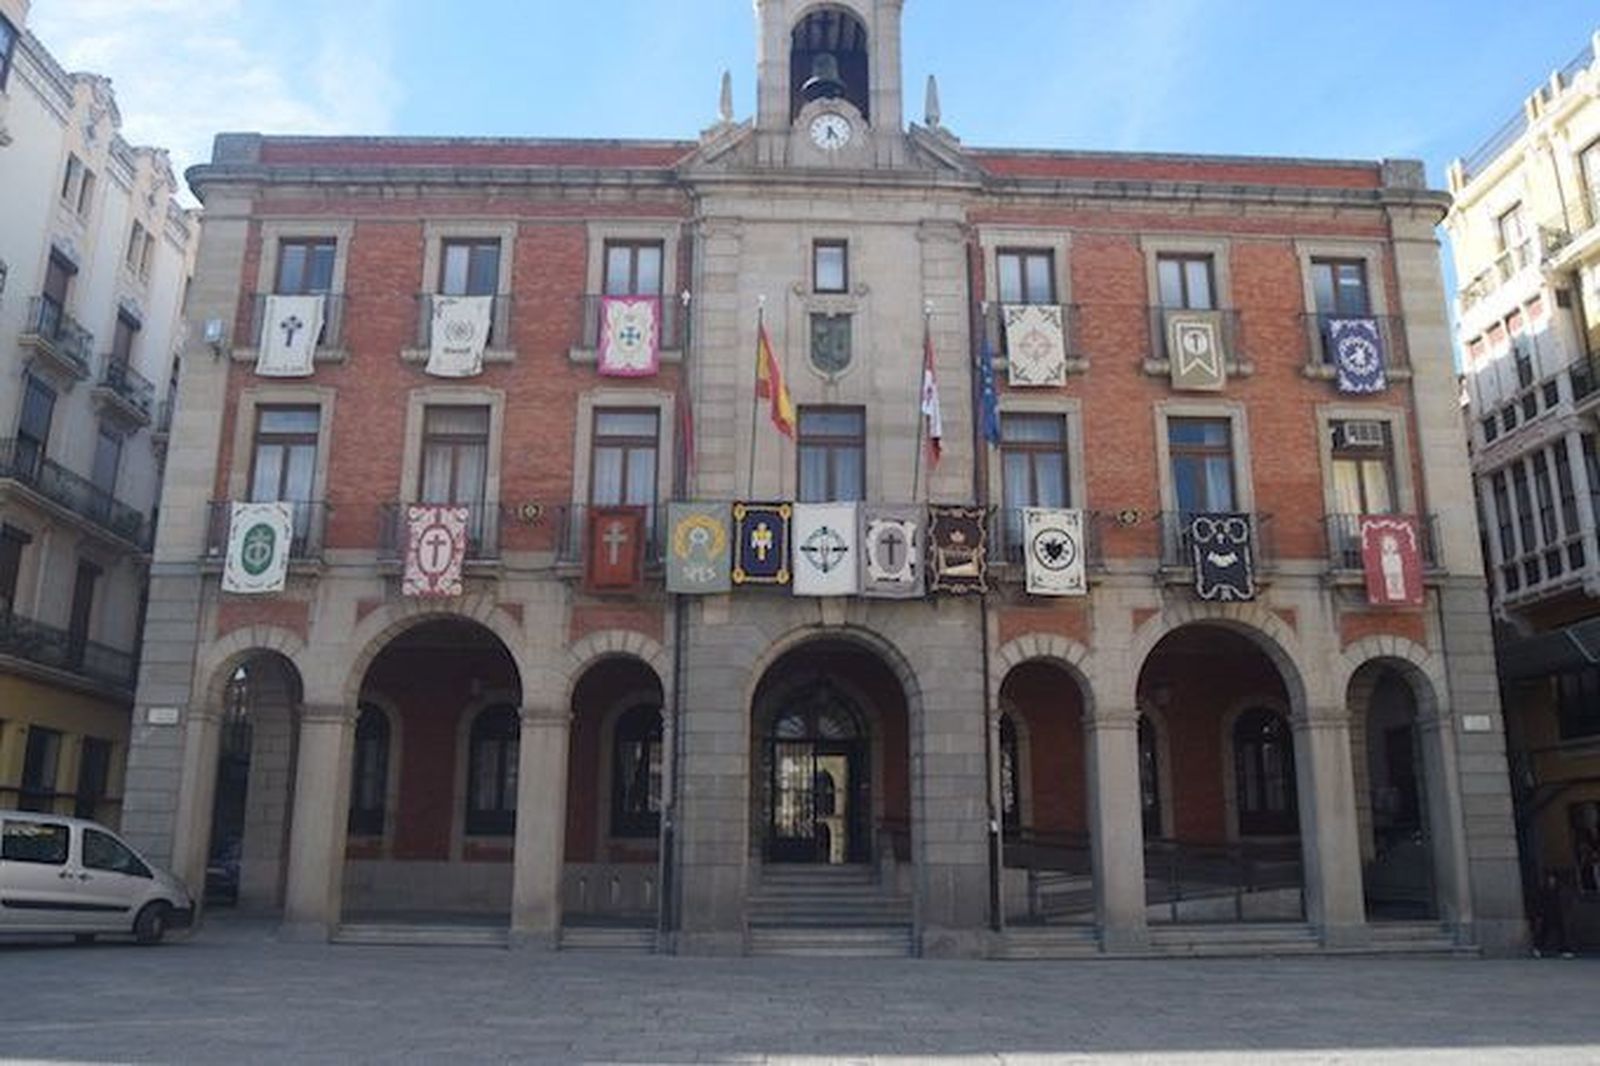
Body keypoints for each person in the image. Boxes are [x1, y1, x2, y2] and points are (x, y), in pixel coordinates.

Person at [1531, 871, 1573, 959]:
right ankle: (1538, 948)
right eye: (1550, 879)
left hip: (1557, 913)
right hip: (1547, 914)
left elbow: (1562, 902)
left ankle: (1564, 950)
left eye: (1553, 879)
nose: (1552, 880)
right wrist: (1539, 913)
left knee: (1561, 933)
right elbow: (1540, 903)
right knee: (1544, 932)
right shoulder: (1544, 890)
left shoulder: (1558, 890)